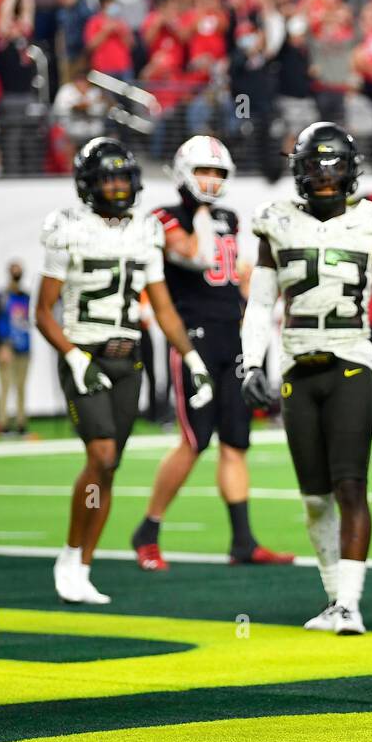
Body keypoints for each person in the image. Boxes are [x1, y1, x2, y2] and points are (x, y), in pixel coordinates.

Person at [241, 122, 372, 635]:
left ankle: (350, 604)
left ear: (351, 171)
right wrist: (251, 362)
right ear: (299, 172)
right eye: (316, 168)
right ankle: (333, 599)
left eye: (335, 167)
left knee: (351, 486)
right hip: (297, 367)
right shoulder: (275, 221)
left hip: (351, 365)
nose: (325, 178)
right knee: (314, 495)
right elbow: (260, 303)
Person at [35, 137, 214, 605]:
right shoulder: (67, 228)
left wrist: (192, 358)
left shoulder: (145, 231)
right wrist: (75, 357)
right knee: (101, 454)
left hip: (128, 358)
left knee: (110, 466)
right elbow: (43, 313)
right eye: (107, 177)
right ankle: (71, 554)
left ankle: (83, 566)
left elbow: (165, 308)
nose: (115, 186)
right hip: (85, 353)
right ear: (89, 183)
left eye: (121, 177)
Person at [131, 136, 293, 570]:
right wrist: (201, 216)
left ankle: (243, 541)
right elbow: (194, 256)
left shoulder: (228, 216)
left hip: (230, 335)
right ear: (184, 171)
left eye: (218, 173)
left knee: (235, 443)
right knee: (194, 439)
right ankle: (148, 529)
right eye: (204, 171)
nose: (211, 180)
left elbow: (232, 274)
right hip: (193, 338)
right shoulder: (164, 217)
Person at [0, 260, 32, 437]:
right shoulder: (2, 297)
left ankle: (22, 422)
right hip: (7, 347)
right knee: (5, 385)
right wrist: (2, 345)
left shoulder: (27, 297)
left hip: (24, 346)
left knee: (21, 386)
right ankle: (3, 423)